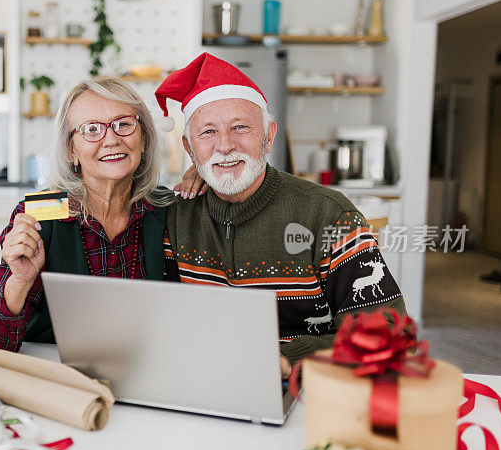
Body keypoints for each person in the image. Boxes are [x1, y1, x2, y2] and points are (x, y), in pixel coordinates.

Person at [155, 53, 407, 378]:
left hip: (306, 389)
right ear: (189, 148)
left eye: (240, 127)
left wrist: (288, 361)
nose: (225, 146)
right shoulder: (175, 216)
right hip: (203, 381)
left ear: (269, 135)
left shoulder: (328, 213)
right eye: (207, 133)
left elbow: (390, 333)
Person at [0, 77, 174, 351]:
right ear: (72, 151)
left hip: (147, 366)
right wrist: (20, 280)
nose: (112, 139)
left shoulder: (167, 209)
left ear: (143, 140)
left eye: (124, 124)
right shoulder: (39, 214)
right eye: (91, 129)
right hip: (59, 375)